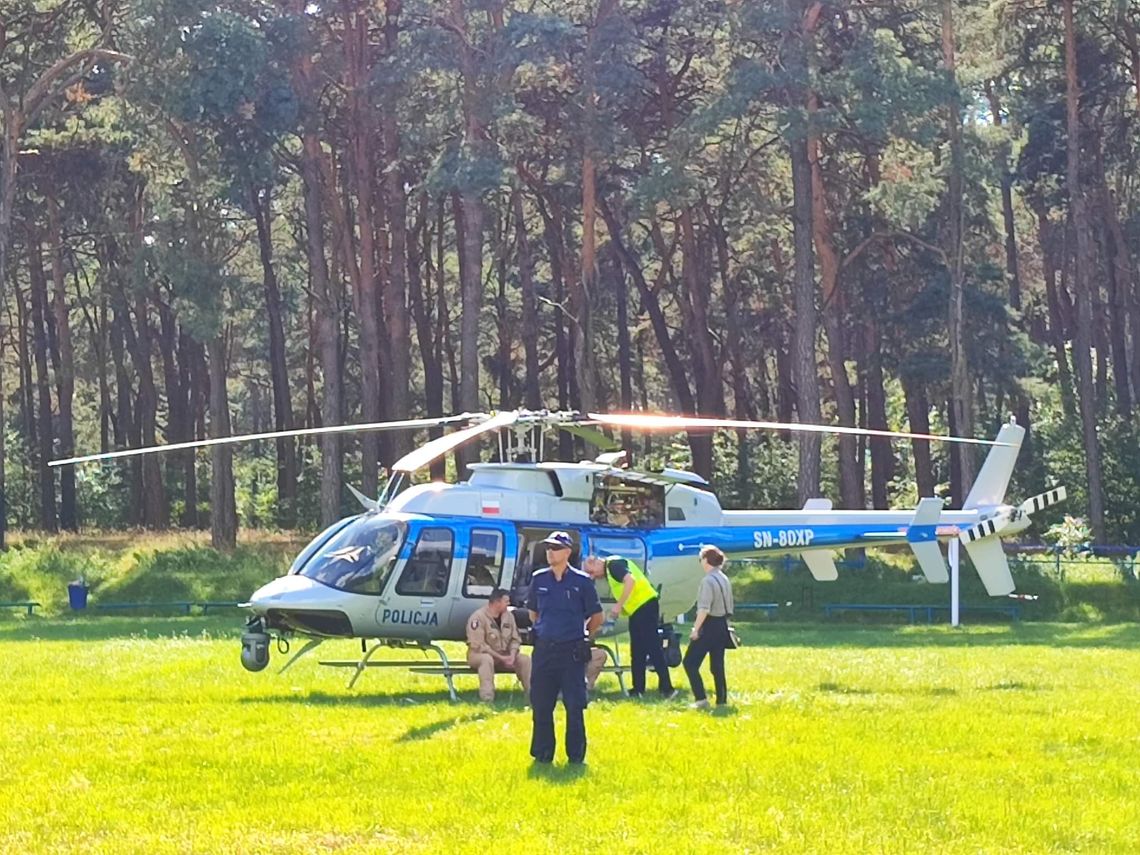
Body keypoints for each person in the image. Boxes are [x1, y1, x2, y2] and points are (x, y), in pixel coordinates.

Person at [527, 531, 603, 764]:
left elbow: (596, 616)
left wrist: (585, 636)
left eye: (556, 548)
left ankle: (576, 756)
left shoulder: (582, 582)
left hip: (571, 651)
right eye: (548, 548)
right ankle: (543, 754)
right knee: (541, 704)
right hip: (545, 650)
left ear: (568, 552)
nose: (550, 552)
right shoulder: (539, 579)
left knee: (574, 705)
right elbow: (533, 613)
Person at [584, 554, 676, 699]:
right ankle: (638, 689)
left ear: (596, 563)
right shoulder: (610, 571)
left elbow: (630, 581)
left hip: (645, 606)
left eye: (592, 572)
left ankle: (667, 688)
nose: (593, 577)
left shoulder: (613, 565)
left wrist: (618, 606)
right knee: (637, 650)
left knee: (653, 648)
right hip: (637, 609)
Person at [683, 545, 734, 709]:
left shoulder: (707, 580)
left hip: (709, 625)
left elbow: (704, 608)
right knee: (717, 666)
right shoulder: (724, 578)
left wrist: (696, 629)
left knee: (690, 662)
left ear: (706, 560)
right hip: (722, 625)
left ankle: (701, 699)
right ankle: (722, 700)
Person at [465, 588, 532, 702]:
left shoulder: (509, 617)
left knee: (525, 660)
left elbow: (515, 639)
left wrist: (512, 655)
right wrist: (501, 657)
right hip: (479, 654)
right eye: (506, 601)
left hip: (505, 655)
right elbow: (478, 645)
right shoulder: (478, 617)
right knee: (486, 660)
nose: (509, 604)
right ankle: (487, 697)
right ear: (497, 602)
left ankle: (532, 695)